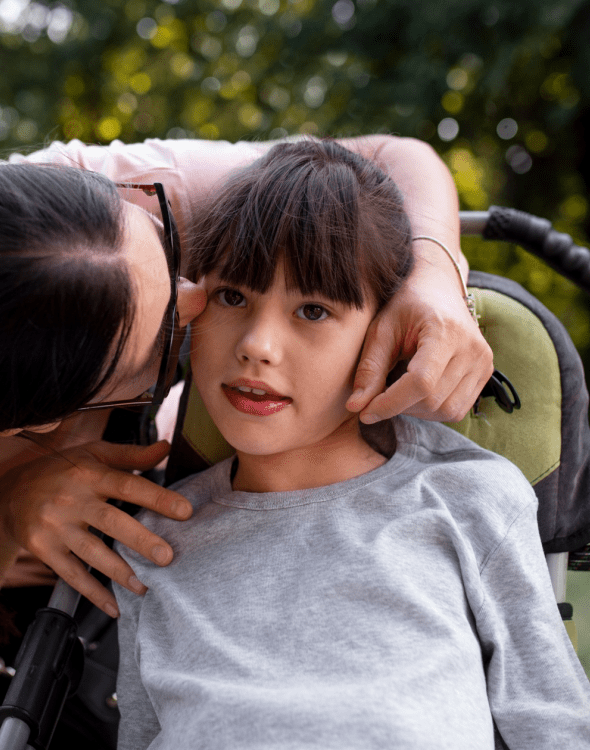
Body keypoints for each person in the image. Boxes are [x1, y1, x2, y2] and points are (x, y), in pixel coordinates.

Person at [0, 135, 492, 749]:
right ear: (40, 422)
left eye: (166, 248)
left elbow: (390, 156)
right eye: (159, 345)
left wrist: (433, 272)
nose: (198, 302)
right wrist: (8, 513)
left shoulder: (118, 203)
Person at [113, 140, 590, 749]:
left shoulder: (469, 499)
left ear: (386, 335)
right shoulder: (151, 543)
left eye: (312, 310)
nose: (258, 344)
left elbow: (554, 727)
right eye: (233, 296)